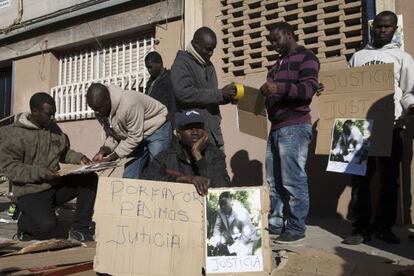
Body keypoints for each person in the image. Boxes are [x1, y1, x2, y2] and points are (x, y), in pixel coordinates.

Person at [343, 11, 414, 245]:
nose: (382, 30)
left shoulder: (402, 58)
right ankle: (360, 228)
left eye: (387, 27)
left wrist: (411, 107)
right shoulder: (358, 57)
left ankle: (384, 226)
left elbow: (408, 91)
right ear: (373, 28)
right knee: (360, 180)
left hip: (391, 127)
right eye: (379, 26)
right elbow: (347, 90)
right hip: (360, 128)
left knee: (389, 180)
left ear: (395, 29)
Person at [0, 92, 97, 242]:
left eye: (54, 113)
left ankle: (80, 229)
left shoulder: (53, 128)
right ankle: (24, 226)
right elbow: (10, 168)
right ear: (34, 112)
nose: (53, 118)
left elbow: (63, 151)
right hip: (30, 191)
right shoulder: (13, 134)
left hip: (54, 185)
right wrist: (42, 173)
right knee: (47, 226)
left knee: (89, 178)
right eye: (49, 114)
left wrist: (80, 158)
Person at [261, 22, 320, 243]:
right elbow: (275, 94)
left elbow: (308, 90)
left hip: (295, 126)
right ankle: (276, 223)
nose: (273, 44)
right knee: (274, 180)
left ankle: (296, 226)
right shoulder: (276, 66)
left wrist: (278, 88)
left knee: (292, 180)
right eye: (271, 41)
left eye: (276, 39)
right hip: (276, 127)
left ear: (289, 34)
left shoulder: (307, 57)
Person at [86, 83, 171, 179]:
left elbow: (134, 137)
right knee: (129, 176)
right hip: (135, 135)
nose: (96, 112)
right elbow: (113, 134)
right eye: (93, 109)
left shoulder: (129, 103)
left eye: (98, 108)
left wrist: (110, 158)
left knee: (158, 171)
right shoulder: (100, 111)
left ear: (107, 99)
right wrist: (103, 151)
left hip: (157, 128)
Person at [171, 26, 236, 149]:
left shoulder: (209, 66)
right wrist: (220, 94)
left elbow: (210, 96)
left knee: (218, 168)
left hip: (213, 134)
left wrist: (227, 96)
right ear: (196, 44)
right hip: (193, 136)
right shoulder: (181, 63)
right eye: (208, 49)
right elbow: (183, 93)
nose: (211, 53)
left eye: (213, 49)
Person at [141, 110, 230, 195]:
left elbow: (224, 186)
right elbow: (145, 181)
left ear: (205, 132)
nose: (195, 132)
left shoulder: (215, 155)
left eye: (199, 127)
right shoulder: (166, 156)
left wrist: (198, 156)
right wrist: (180, 180)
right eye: (189, 128)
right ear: (179, 134)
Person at [208, 192, 257, 256]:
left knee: (241, 255)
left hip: (247, 240)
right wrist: (217, 240)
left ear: (231, 202)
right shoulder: (220, 211)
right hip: (232, 237)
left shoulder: (241, 211)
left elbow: (246, 235)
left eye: (225, 204)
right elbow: (217, 228)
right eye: (221, 204)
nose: (223, 207)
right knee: (213, 242)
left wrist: (231, 248)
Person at [145, 51, 176, 126]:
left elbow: (173, 102)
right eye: (147, 67)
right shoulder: (150, 82)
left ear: (159, 64)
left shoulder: (168, 78)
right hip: (152, 123)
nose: (148, 70)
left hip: (165, 123)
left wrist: (173, 125)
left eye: (150, 67)